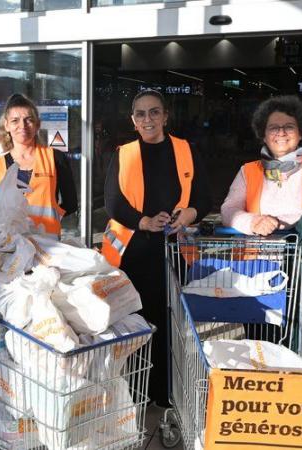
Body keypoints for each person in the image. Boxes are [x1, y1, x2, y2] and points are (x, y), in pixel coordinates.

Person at [102, 89, 211, 407]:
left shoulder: (186, 150)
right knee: (134, 323)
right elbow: (112, 203)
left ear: (165, 115)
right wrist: (143, 221)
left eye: (154, 112)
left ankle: (164, 392)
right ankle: (135, 391)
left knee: (168, 323)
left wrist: (190, 213)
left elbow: (204, 198)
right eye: (140, 114)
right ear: (133, 120)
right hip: (133, 253)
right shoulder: (123, 153)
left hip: (173, 250)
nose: (147, 119)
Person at [221, 95, 302, 288]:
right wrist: (254, 222)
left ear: (301, 133)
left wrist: (276, 222)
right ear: (263, 135)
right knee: (256, 317)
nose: (281, 133)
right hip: (254, 269)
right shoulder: (248, 171)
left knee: (296, 316)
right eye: (273, 127)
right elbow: (229, 210)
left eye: (289, 126)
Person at [0, 93, 77, 235]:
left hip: (46, 244)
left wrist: (53, 217)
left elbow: (71, 204)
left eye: (28, 120)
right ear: (7, 125)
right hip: (8, 246)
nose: (22, 126)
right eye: (15, 120)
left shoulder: (55, 158)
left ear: (37, 124)